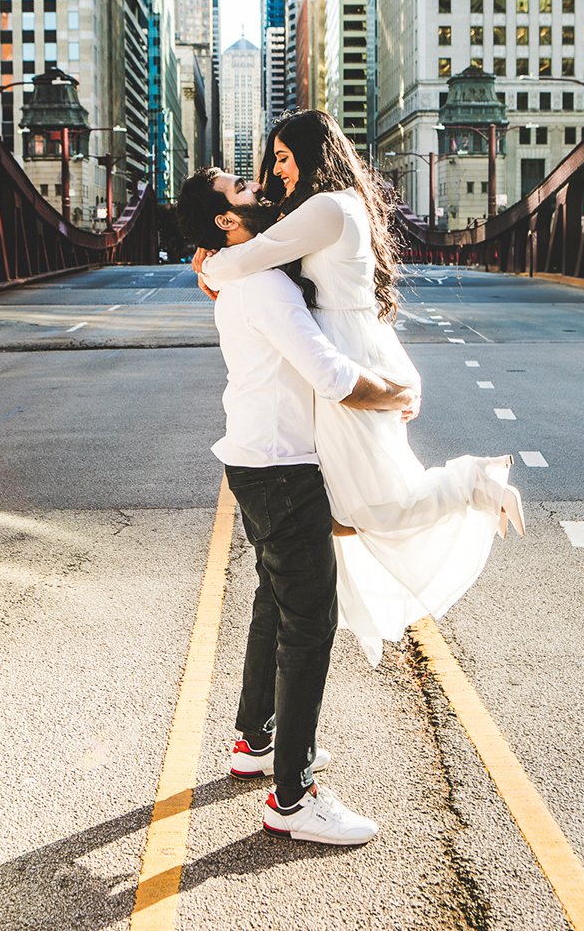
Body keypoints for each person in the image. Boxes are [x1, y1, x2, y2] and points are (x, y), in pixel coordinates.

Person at [196, 110, 525, 669]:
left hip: (346, 352)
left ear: (311, 152)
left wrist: (208, 268)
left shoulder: (327, 207)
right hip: (347, 343)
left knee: (375, 505)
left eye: (282, 157)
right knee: (344, 506)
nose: (275, 174)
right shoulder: (326, 206)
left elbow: (245, 262)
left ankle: (476, 480)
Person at [178, 169, 418, 845]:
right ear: (228, 220)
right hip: (282, 471)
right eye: (241, 187)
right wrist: (397, 393)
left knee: (275, 603)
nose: (257, 185)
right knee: (311, 622)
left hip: (255, 462)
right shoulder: (263, 283)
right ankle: (293, 795)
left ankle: (257, 741)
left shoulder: (235, 274)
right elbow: (333, 377)